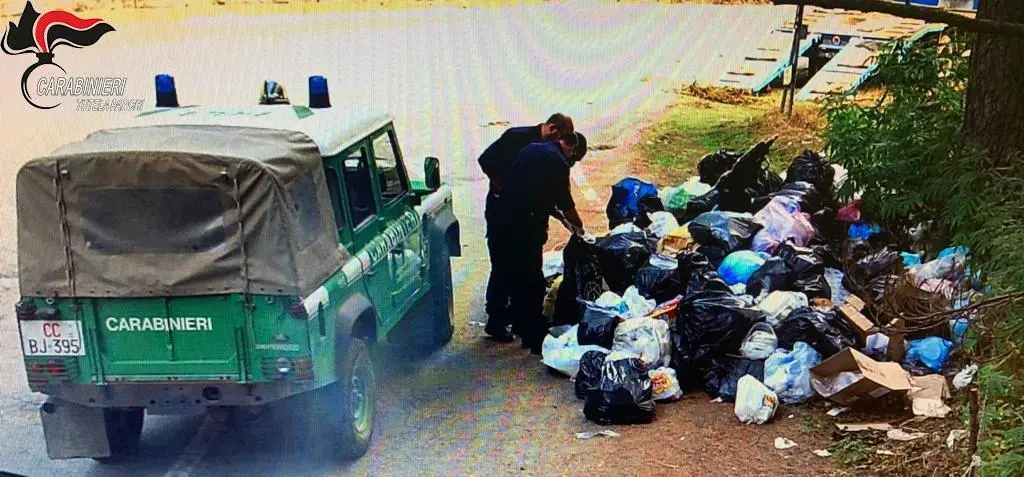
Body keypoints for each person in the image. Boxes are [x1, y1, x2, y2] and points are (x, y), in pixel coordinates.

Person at [477, 114, 574, 342]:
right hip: (503, 212)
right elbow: (486, 161)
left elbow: (544, 190)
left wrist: (558, 215)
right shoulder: (516, 137)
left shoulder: (544, 151)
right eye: (560, 137)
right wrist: (503, 188)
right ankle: (497, 320)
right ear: (552, 128)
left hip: (528, 218)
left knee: (527, 268)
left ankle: (520, 318)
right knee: (503, 265)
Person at [501, 132, 587, 354]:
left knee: (518, 276)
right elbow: (565, 203)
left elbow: (543, 197)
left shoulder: (534, 149)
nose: (571, 162)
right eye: (574, 158)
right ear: (572, 148)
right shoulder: (557, 162)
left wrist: (563, 221)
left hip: (507, 218)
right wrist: (580, 228)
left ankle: (520, 326)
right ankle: (535, 336)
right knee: (533, 280)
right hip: (526, 224)